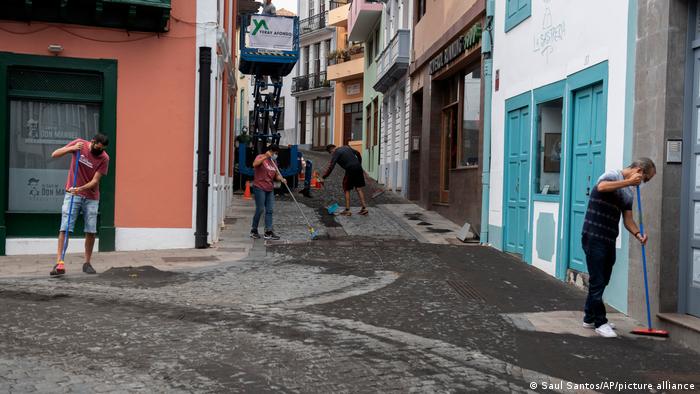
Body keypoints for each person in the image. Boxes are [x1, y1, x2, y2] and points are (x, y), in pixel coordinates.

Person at [581, 158, 656, 338]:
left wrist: (639, 234)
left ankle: (589, 317)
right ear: (638, 170)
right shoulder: (612, 175)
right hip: (593, 236)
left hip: (609, 239)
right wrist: (629, 181)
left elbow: (628, 220)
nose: (644, 183)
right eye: (646, 179)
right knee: (598, 280)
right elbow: (601, 187)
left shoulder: (628, 194)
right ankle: (600, 322)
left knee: (603, 280)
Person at [50, 134, 110, 276]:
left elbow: (95, 181)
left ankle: (87, 263)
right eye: (98, 148)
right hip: (72, 194)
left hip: (91, 197)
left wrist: (80, 189)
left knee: (91, 230)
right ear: (93, 142)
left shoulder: (104, 158)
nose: (99, 152)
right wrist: (72, 148)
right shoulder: (80, 144)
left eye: (102, 149)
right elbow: (55, 154)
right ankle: (59, 263)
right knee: (65, 227)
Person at [251, 144, 286, 240]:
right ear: (270, 151)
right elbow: (254, 164)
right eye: (275, 153)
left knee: (270, 210)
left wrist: (281, 179)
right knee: (260, 209)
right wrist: (266, 156)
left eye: (277, 153)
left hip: (269, 188)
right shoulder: (261, 157)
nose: (276, 155)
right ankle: (254, 230)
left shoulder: (274, 161)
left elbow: (276, 175)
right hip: (259, 187)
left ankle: (268, 231)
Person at [322, 144, 368, 216]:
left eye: (330, 153)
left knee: (346, 188)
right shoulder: (346, 147)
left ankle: (347, 210)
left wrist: (324, 177)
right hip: (358, 168)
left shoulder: (336, 153)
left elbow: (331, 166)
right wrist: (359, 163)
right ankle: (364, 208)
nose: (331, 154)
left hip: (350, 169)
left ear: (331, 150)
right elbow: (358, 153)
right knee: (359, 188)